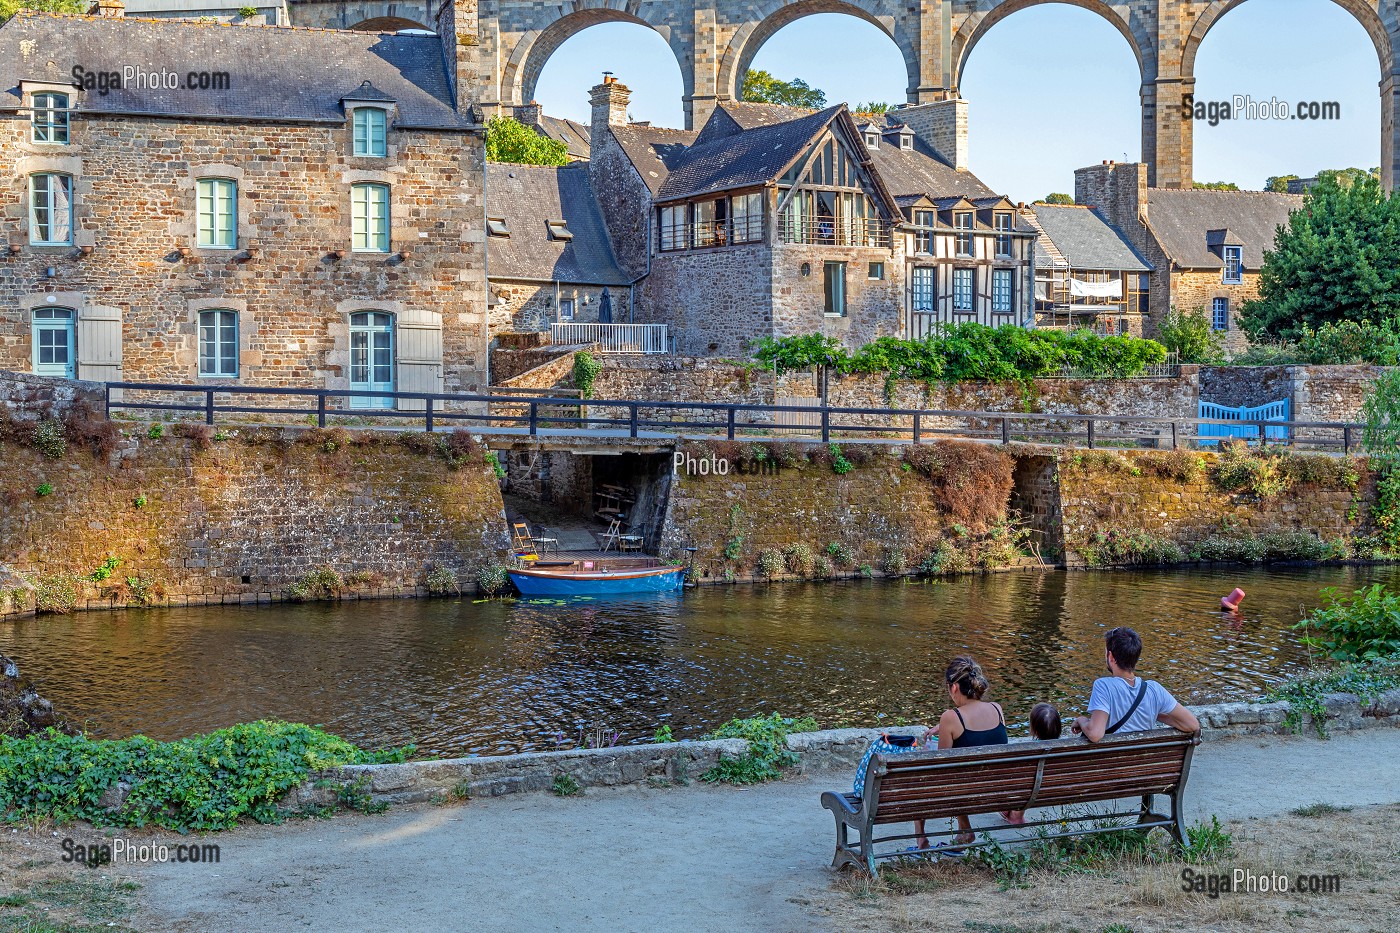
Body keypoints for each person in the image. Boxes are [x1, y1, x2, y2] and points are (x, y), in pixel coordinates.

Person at [913, 655, 1007, 852]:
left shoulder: (951, 717)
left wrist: (925, 751)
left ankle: (921, 840)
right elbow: (980, 733)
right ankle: (964, 831)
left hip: (962, 791)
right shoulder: (997, 710)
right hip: (995, 788)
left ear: (954, 687)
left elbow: (941, 766)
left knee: (920, 775)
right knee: (964, 776)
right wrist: (946, 726)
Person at [1071, 627, 1201, 741]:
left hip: (1109, 767)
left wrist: (1081, 720)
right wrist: (1152, 712)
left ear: (1111, 657)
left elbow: (1095, 734)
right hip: (1144, 766)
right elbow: (1192, 724)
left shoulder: (1103, 686)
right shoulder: (1155, 689)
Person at [999, 703, 1062, 825]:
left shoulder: (1028, 751)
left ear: (1034, 729)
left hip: (1033, 790)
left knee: (1022, 778)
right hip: (1057, 788)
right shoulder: (1067, 749)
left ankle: (1016, 814)